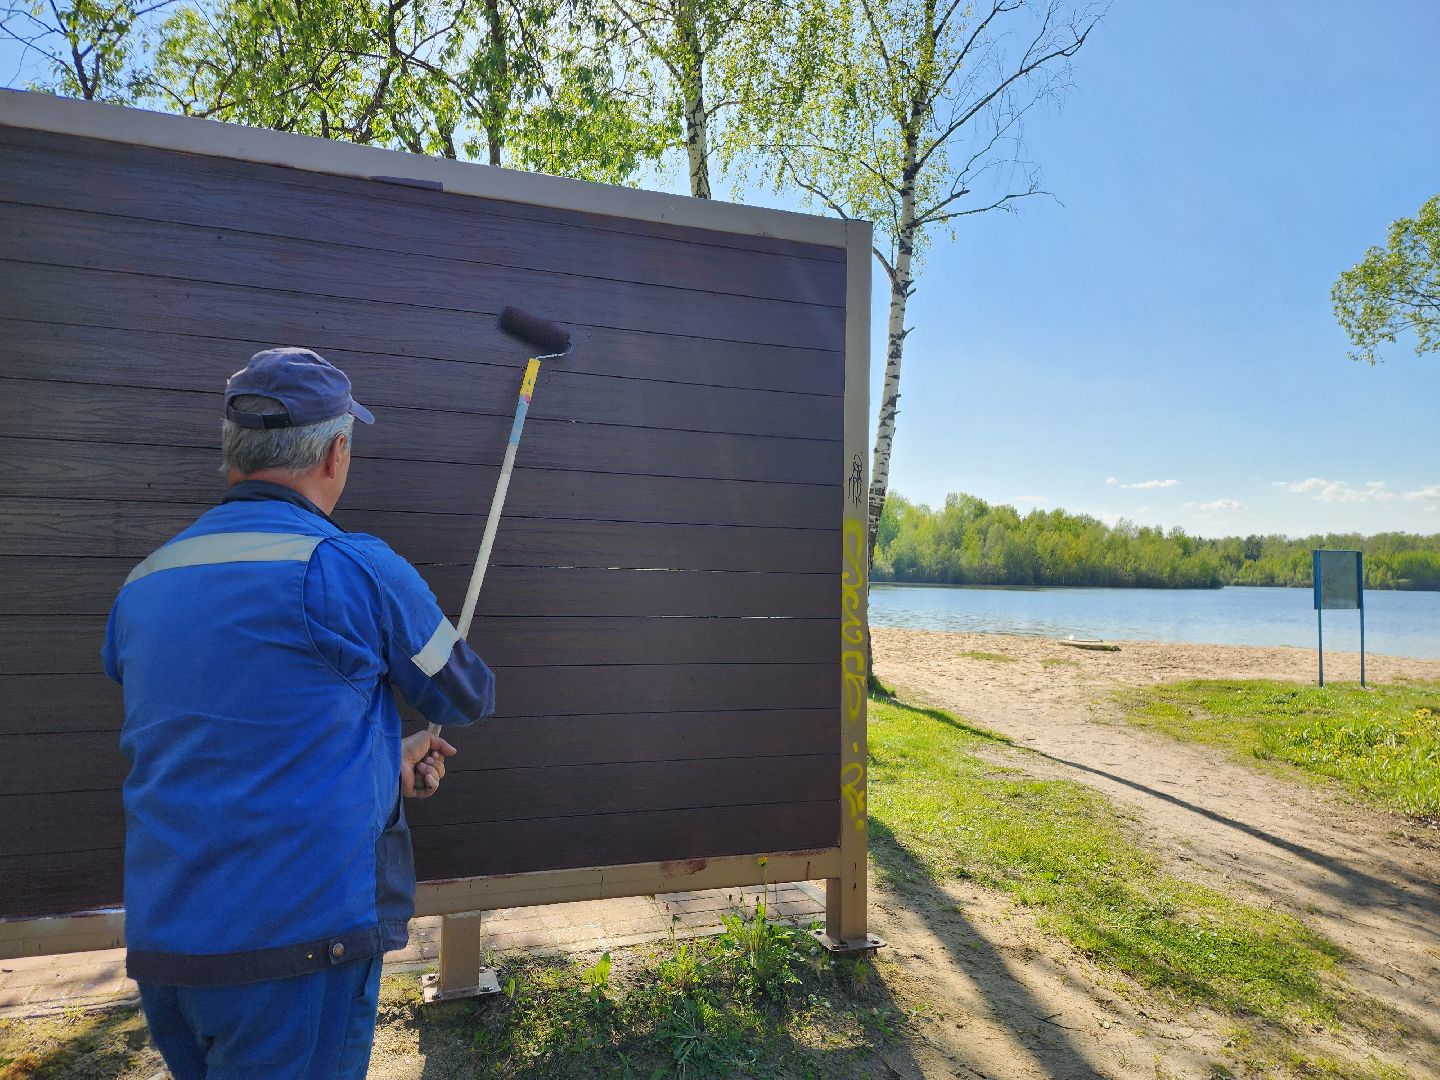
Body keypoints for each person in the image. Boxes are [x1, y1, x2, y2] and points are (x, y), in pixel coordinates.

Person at [103, 347, 495, 1078]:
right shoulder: (354, 567)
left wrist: (383, 759)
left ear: (234, 452)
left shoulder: (147, 581)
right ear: (336, 451)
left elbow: (236, 737)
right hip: (296, 955)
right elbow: (466, 693)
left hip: (169, 954)